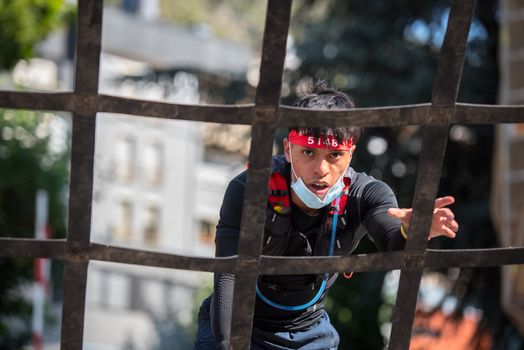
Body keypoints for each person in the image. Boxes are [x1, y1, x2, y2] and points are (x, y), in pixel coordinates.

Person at [193, 80, 459, 350]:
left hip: (309, 333)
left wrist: (412, 231)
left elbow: (392, 243)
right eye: (308, 152)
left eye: (334, 155)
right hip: (237, 323)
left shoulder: (366, 194)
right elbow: (228, 277)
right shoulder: (249, 188)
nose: (321, 169)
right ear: (288, 149)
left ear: (351, 154)